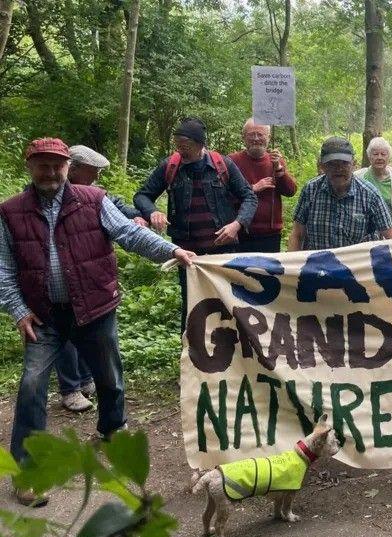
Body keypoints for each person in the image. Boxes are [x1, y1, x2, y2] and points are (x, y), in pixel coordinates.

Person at [0, 138, 196, 506]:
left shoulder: (93, 200)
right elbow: (4, 270)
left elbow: (129, 233)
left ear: (67, 167)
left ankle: (111, 428)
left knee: (108, 374)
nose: (50, 172)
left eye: (57, 165)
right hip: (43, 316)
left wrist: (171, 250)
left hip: (94, 307)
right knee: (30, 384)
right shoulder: (10, 212)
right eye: (42, 165)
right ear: (29, 166)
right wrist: (18, 310)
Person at [47, 145, 148, 414]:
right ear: (74, 169)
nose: (97, 179)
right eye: (93, 173)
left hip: (90, 282)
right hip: (60, 284)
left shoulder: (93, 196)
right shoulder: (45, 196)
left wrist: (137, 215)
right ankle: (70, 389)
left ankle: (85, 379)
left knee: (89, 332)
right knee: (65, 339)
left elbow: (116, 209)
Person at [135, 117, 256, 331]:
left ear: (201, 144)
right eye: (178, 145)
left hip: (223, 250)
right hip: (188, 254)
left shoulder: (223, 165)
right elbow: (142, 195)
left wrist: (237, 224)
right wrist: (152, 212)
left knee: (229, 300)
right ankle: (192, 353)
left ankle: (233, 350)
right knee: (192, 302)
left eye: (186, 146)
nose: (181, 150)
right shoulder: (170, 166)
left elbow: (249, 196)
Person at [289, 137, 392, 251]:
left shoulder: (370, 194)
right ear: (322, 165)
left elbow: (390, 233)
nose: (339, 169)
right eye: (332, 164)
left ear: (354, 164)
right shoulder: (310, 190)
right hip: (318, 266)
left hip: (359, 265)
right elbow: (297, 235)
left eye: (344, 163)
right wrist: (290, 265)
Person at [228, 118, 298, 252]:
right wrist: (253, 188)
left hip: (270, 235)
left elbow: (290, 191)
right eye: (251, 134)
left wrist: (278, 169)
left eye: (260, 134)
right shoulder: (232, 161)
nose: (256, 138)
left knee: (267, 273)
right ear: (243, 137)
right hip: (240, 232)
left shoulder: (276, 161)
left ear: (268, 137)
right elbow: (224, 196)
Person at [354, 137, 392, 236]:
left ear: (388, 157)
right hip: (369, 232)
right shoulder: (358, 176)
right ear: (369, 157)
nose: (379, 157)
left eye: (383, 154)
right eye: (375, 154)